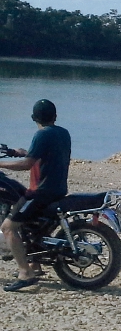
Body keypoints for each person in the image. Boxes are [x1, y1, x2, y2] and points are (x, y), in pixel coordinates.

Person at [0, 100, 70, 291]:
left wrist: (1, 164)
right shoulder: (63, 133)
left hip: (41, 192)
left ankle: (25, 273)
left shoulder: (41, 134)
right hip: (58, 189)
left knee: (9, 227)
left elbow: (27, 165)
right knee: (31, 222)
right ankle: (35, 264)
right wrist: (19, 152)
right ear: (55, 116)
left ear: (33, 118)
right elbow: (44, 155)